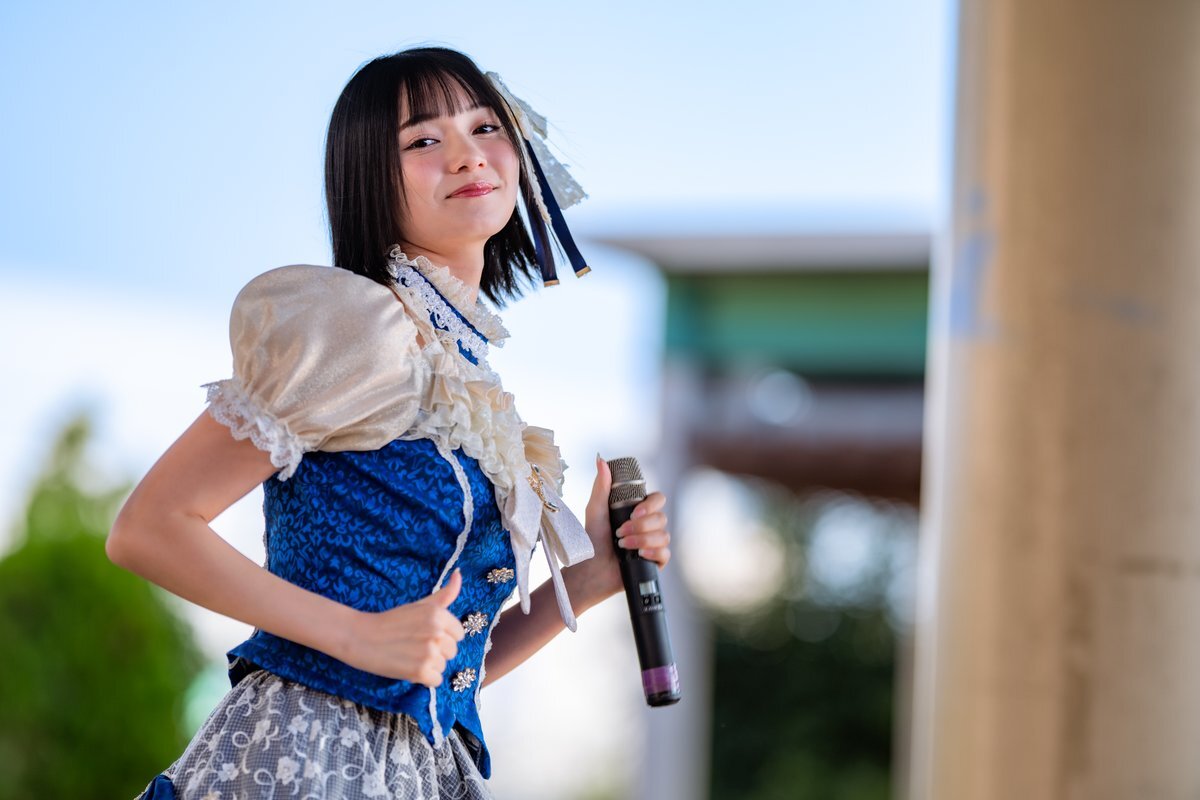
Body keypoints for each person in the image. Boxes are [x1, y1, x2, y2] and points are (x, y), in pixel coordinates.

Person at [106, 46, 672, 800]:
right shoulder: (352, 331)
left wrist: (593, 575)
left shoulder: (466, 375)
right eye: (424, 140)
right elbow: (147, 528)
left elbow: (438, 669)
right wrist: (356, 635)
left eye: (485, 127)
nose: (467, 155)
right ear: (369, 176)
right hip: (304, 752)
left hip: (418, 766)